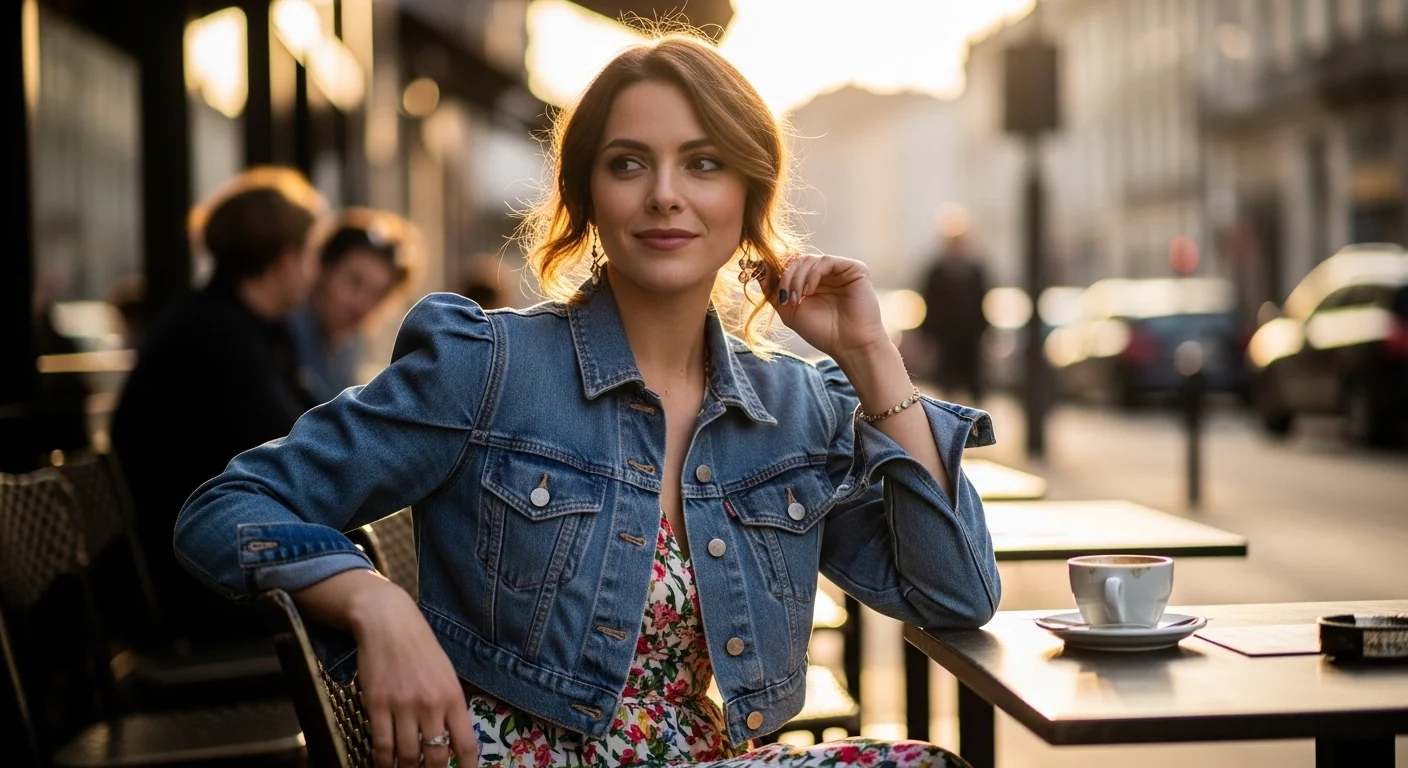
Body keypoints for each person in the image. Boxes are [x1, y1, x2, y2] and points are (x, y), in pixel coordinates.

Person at [174, 34, 998, 768]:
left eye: (704, 163)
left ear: (749, 196)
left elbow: (954, 595)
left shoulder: (791, 408)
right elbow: (223, 509)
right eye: (629, 162)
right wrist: (370, 599)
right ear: (588, 195)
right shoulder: (488, 366)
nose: (665, 194)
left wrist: (869, 356)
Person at [113, 166, 326, 643]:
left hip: (212, 557)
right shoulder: (218, 338)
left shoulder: (248, 329)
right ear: (287, 259)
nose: (313, 273)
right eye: (311, 255)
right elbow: (296, 453)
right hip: (196, 581)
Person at [289, 208, 421, 404]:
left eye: (378, 295)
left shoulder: (351, 349)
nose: (362, 305)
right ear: (324, 268)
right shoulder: (283, 335)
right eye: (354, 282)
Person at [919, 209, 989, 403]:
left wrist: (984, 331)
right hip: (946, 339)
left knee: (973, 386)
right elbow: (928, 303)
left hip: (970, 339)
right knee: (947, 387)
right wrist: (928, 335)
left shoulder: (975, 270)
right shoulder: (936, 272)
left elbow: (983, 303)